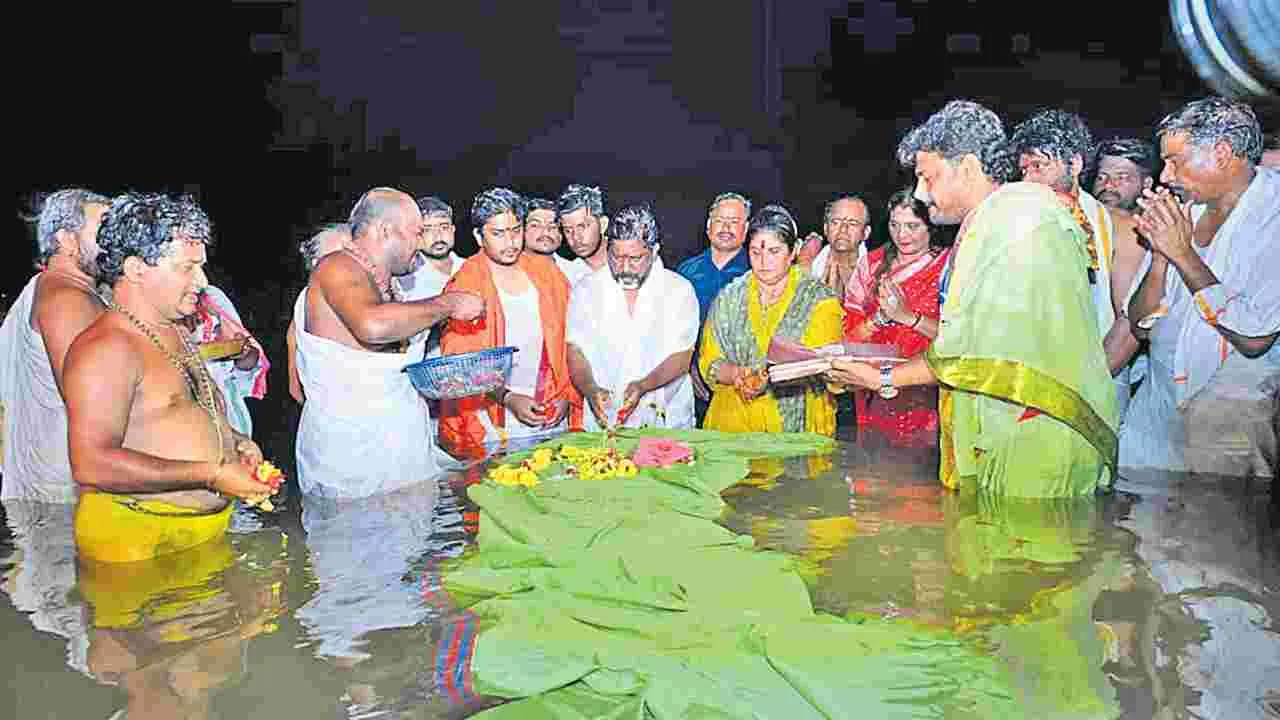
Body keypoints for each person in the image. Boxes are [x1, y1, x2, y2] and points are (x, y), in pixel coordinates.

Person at [827, 100, 1118, 497]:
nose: (920, 193)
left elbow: (974, 346)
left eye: (927, 177)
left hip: (1036, 434)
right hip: (1011, 429)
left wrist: (881, 378)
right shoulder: (995, 220)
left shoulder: (1019, 220)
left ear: (965, 167)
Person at [61, 193, 277, 562]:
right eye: (186, 268)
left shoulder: (173, 328)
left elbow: (177, 414)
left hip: (195, 532)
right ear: (135, 269)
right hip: (136, 543)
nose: (203, 281)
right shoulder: (106, 347)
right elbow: (91, 463)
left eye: (202, 266)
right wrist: (211, 474)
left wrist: (238, 444)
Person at [1123, 97, 1279, 478]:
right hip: (1155, 413)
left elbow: (1254, 337)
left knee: (1214, 534)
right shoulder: (1186, 209)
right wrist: (1160, 256)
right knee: (1140, 533)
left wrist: (1182, 253)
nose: (1165, 176)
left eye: (1176, 161)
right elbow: (1138, 322)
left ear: (1223, 154)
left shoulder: (1272, 216)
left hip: (1230, 422)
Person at [296, 188, 483, 498]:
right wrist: (448, 305)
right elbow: (372, 325)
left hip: (401, 462)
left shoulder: (388, 284)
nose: (422, 243)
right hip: (355, 471)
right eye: (417, 232)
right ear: (385, 230)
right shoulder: (337, 266)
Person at [1011, 110, 1140, 422]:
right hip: (1026, 391)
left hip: (1095, 391)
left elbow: (1133, 320)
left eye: (1039, 166)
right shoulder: (1014, 223)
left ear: (1076, 164)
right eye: (1024, 169)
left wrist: (1080, 389)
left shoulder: (1119, 228)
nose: (1029, 178)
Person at [438, 188, 581, 455]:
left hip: (550, 408)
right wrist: (507, 397)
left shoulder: (547, 273)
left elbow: (572, 338)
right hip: (491, 415)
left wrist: (567, 394)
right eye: (498, 233)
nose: (511, 242)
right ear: (479, 236)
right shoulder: (465, 284)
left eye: (516, 230)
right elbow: (459, 362)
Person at [1, 189, 109, 501]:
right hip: (63, 498)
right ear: (66, 239)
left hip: (46, 492)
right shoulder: (67, 299)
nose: (116, 239)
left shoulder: (50, 290)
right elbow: (95, 405)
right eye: (104, 226)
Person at [699, 204, 844, 436]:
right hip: (733, 425)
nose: (764, 261)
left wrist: (768, 379)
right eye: (756, 252)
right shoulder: (729, 297)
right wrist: (737, 374)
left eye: (774, 251)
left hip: (795, 427)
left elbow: (825, 367)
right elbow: (710, 363)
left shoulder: (818, 300)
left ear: (794, 250)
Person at [566, 204, 699, 430]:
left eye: (635, 258)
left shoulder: (679, 289)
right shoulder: (587, 289)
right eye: (616, 257)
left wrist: (643, 386)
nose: (625, 267)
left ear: (655, 251)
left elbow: (682, 357)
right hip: (605, 420)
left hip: (667, 421)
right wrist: (590, 389)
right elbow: (575, 350)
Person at [841, 188, 951, 447]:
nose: (902, 235)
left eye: (912, 226)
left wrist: (907, 317)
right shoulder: (871, 264)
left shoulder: (949, 266)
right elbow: (848, 339)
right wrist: (879, 319)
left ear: (931, 226)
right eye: (895, 225)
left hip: (927, 393)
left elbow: (961, 339)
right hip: (872, 392)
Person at [676, 191, 752, 423]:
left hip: (745, 383)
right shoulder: (686, 272)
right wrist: (688, 369)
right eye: (720, 221)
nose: (726, 228)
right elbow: (673, 330)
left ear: (746, 229)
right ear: (709, 226)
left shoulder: (758, 271)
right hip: (693, 383)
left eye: (734, 222)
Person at [184, 284, 268, 437]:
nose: (199, 277)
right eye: (188, 266)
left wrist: (244, 353)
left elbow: (246, 367)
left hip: (229, 421)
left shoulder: (211, 298)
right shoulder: (138, 313)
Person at [288, 223, 352, 405]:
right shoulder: (308, 297)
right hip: (330, 401)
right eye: (338, 257)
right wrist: (293, 376)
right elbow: (293, 332)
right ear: (316, 264)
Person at [802, 193, 872, 294]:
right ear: (826, 229)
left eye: (852, 223)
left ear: (865, 232)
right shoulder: (808, 265)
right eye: (836, 222)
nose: (843, 229)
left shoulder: (879, 272)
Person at [556, 184, 609, 283]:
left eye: (582, 227)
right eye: (568, 230)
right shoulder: (568, 276)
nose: (575, 237)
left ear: (603, 224)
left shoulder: (632, 262)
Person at [524, 196, 583, 285]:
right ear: (522, 231)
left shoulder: (577, 274)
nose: (546, 231)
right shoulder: (504, 270)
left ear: (561, 235)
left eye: (553, 226)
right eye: (535, 225)